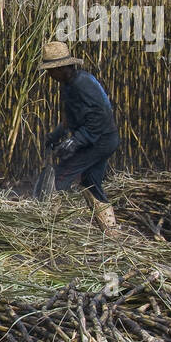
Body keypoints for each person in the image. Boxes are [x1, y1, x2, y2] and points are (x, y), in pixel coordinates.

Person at [41, 40, 120, 230]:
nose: (49, 74)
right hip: (101, 141)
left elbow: (99, 117)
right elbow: (70, 119)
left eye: (51, 70)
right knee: (90, 182)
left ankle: (47, 228)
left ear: (62, 67)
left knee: (59, 177)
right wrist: (56, 135)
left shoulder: (82, 84)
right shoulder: (69, 84)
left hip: (100, 141)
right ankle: (110, 232)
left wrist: (76, 141)